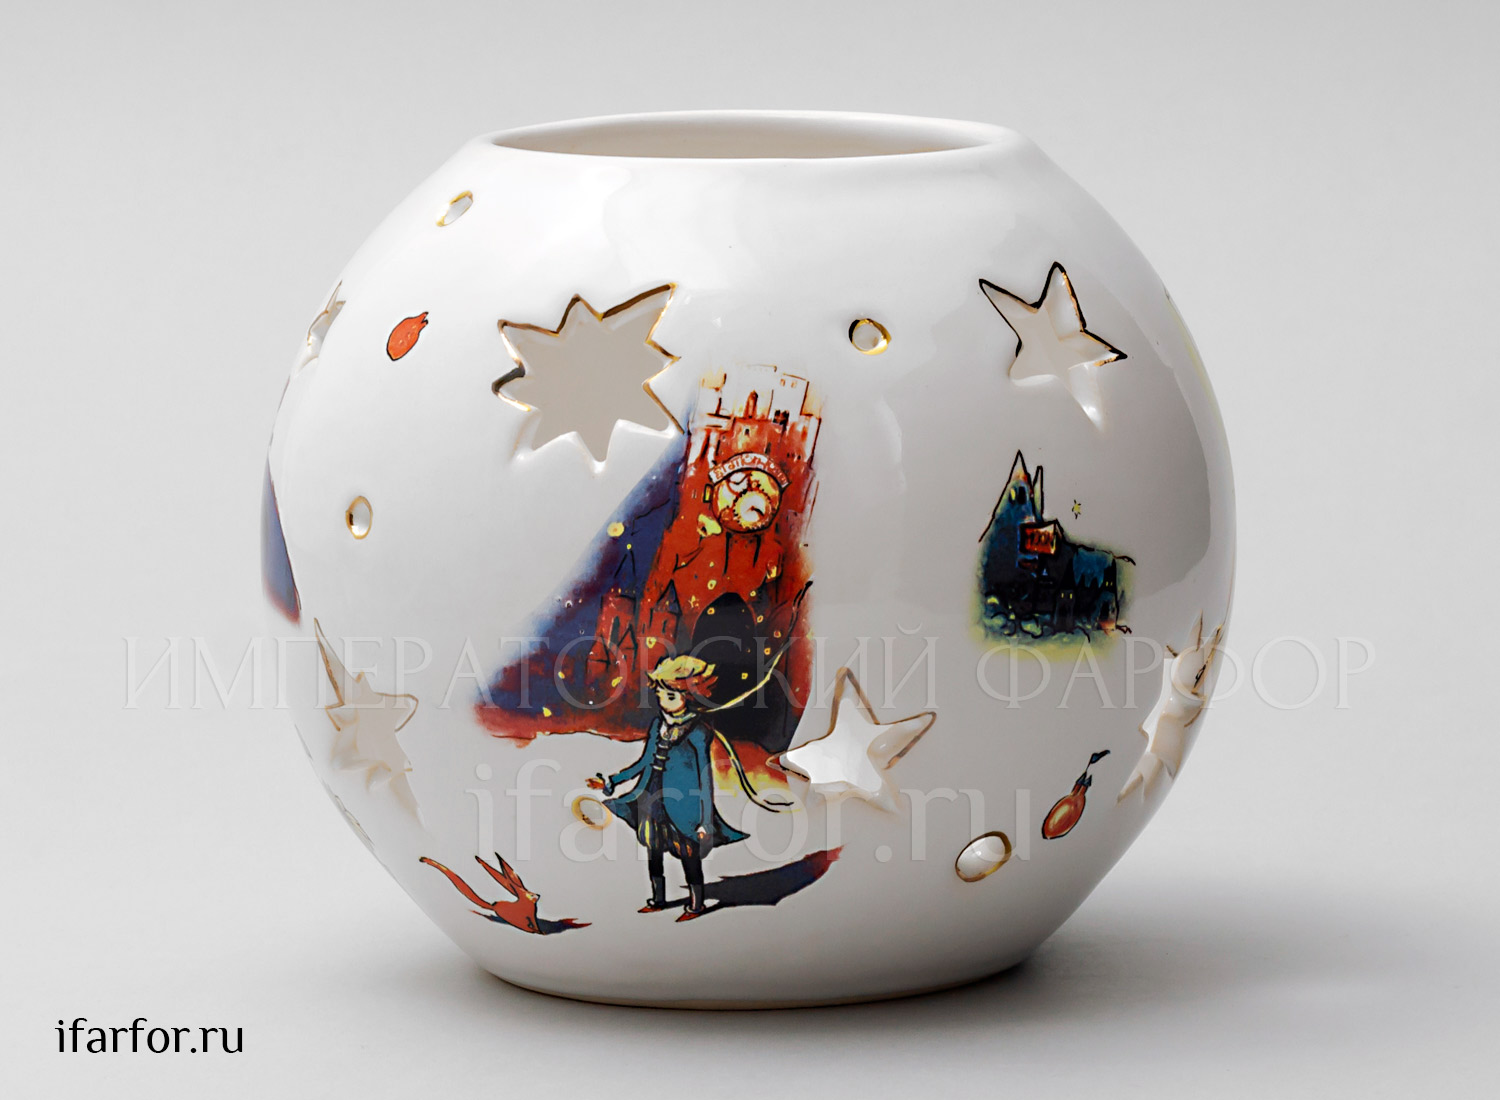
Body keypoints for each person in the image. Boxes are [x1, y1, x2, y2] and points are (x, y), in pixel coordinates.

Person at [588, 655, 748, 921]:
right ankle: (657, 899)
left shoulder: (698, 731)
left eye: (671, 695)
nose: (663, 701)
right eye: (660, 694)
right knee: (653, 850)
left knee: (689, 855)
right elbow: (643, 762)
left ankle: (696, 905)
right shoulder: (657, 724)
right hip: (652, 797)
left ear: (690, 696)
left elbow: (705, 778)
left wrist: (705, 821)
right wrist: (611, 781)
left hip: (684, 806)